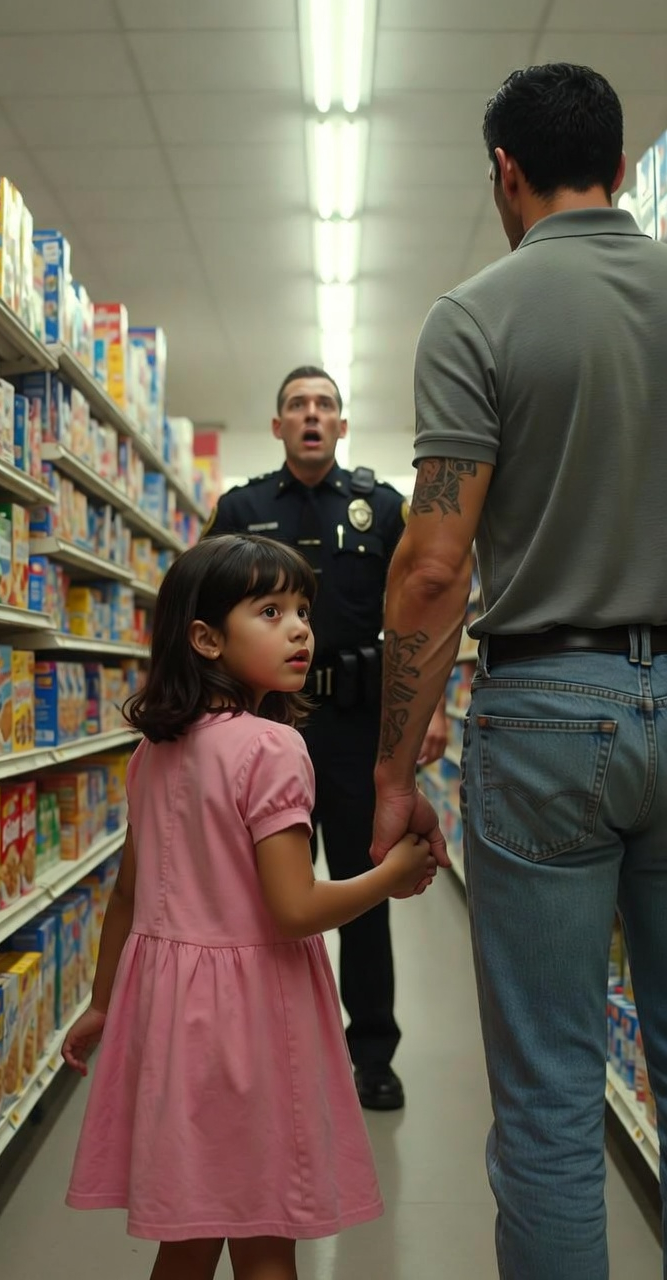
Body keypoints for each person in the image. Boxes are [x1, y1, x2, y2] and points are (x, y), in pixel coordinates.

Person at [372, 63, 667, 1280]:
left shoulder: (479, 314)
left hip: (549, 709)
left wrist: (396, 770)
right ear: (622, 162)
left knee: (551, 1103)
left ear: (505, 170)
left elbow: (435, 568)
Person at [62, 534, 436, 1280]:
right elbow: (293, 908)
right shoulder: (271, 748)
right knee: (268, 1233)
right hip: (253, 1018)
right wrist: (390, 877)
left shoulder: (153, 752)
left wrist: (105, 1002)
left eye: (303, 609)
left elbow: (131, 895)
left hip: (169, 1012)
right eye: (270, 610)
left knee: (188, 1230)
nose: (300, 628)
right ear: (205, 638)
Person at [203, 367, 448, 1112]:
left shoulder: (380, 506)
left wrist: (430, 707)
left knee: (359, 884)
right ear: (277, 426)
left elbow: (419, 613)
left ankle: (372, 1052)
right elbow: (204, 608)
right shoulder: (240, 507)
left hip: (352, 728)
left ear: (342, 425)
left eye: (325, 406)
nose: (312, 415)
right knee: (259, 892)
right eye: (297, 406)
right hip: (259, 726)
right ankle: (260, 1044)